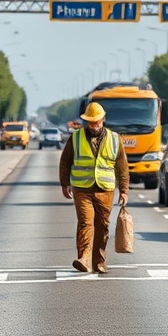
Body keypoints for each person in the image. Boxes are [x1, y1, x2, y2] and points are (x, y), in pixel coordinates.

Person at [59, 102, 129, 274]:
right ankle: (84, 258)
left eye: (96, 122)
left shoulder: (114, 139)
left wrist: (124, 190)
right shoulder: (75, 138)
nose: (93, 126)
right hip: (82, 189)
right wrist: (64, 183)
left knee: (103, 225)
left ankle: (99, 262)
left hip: (105, 190)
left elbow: (122, 166)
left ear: (103, 120)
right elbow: (65, 161)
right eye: (90, 122)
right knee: (85, 222)